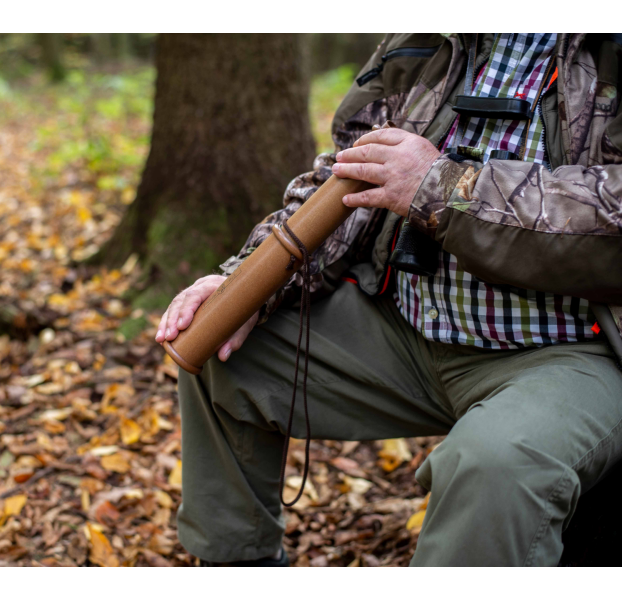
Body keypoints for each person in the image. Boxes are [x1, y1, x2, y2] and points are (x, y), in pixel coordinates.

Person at [155, 33, 622, 566]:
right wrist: (247, 284)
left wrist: (444, 187)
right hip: (405, 325)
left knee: (494, 463)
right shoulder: (431, 36)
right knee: (216, 345)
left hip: (574, 348)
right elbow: (346, 177)